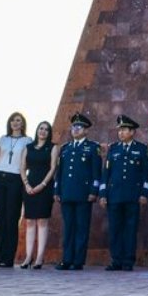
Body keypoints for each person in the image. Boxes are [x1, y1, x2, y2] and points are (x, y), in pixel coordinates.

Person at [99, 115, 148, 272]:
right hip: (114, 196)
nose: (121, 133)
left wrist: (144, 193)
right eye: (119, 130)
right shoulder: (113, 149)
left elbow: (146, 174)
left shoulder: (140, 149)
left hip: (132, 196)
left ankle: (128, 261)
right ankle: (116, 260)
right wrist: (103, 194)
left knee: (130, 229)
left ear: (132, 132)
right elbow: (106, 173)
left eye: (124, 130)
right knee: (115, 229)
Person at [54, 113, 102, 271]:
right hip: (67, 193)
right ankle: (66, 259)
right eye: (74, 126)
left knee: (81, 227)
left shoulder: (93, 148)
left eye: (79, 126)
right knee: (68, 228)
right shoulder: (65, 148)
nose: (75, 129)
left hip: (84, 194)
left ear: (86, 131)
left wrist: (94, 190)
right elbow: (59, 173)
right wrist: (57, 190)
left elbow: (96, 172)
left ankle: (78, 261)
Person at [0, 112, 30, 267]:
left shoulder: (28, 140)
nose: (15, 122)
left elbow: (26, 162)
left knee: (12, 219)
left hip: (16, 178)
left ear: (23, 123)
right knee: (0, 218)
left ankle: (8, 258)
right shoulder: (3, 139)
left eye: (18, 120)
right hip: (0, 177)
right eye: (13, 120)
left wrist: (25, 181)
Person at [20, 121, 57, 269]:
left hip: (45, 186)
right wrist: (27, 184)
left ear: (49, 133)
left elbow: (53, 168)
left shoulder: (53, 147)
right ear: (37, 130)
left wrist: (42, 185)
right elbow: (22, 168)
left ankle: (40, 257)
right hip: (29, 186)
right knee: (29, 222)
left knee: (42, 221)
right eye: (40, 128)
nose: (43, 131)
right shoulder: (28, 147)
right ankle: (29, 256)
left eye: (46, 130)